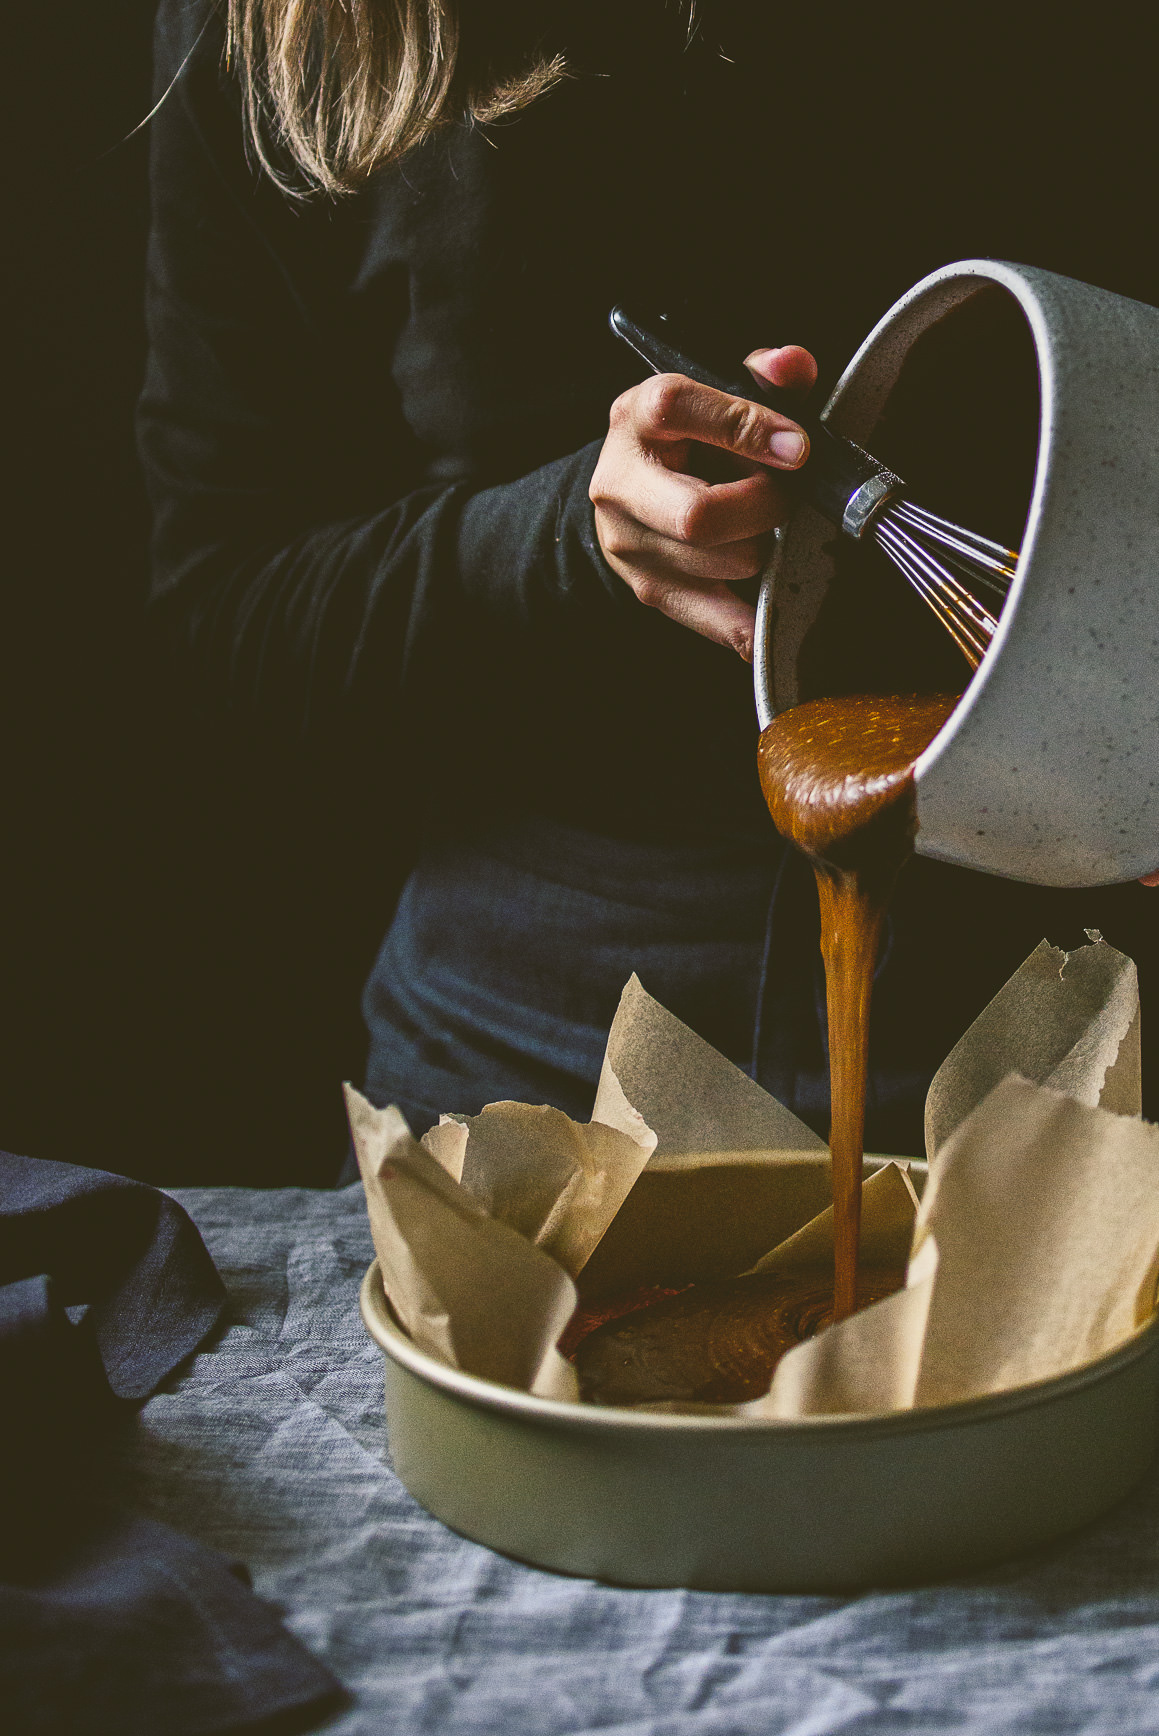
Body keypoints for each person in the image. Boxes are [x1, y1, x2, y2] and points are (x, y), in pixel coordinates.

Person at [139, 0, 1158, 1171]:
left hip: (1079, 1047)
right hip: (532, 1089)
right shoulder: (282, 29)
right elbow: (225, 607)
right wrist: (559, 537)